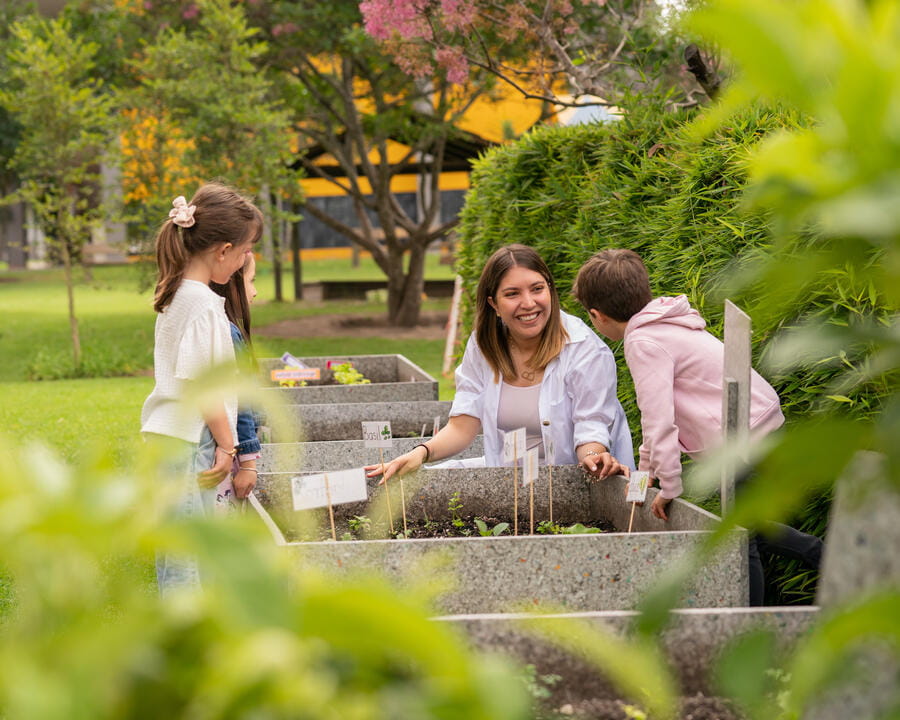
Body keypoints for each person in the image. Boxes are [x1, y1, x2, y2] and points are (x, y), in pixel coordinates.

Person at [572, 247, 823, 605]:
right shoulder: (664, 323)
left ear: (596, 316)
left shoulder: (642, 341)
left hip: (741, 435)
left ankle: (743, 623)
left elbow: (659, 421)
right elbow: (654, 424)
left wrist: (670, 487)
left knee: (739, 538)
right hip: (758, 423)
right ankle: (823, 556)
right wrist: (644, 479)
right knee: (750, 526)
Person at [368, 244, 634, 483]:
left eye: (537, 289)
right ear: (494, 303)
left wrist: (593, 456)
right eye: (512, 294)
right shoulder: (484, 346)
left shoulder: (584, 350)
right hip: (509, 484)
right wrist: (421, 453)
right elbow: (463, 426)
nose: (528, 303)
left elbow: (591, 426)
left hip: (571, 484)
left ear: (551, 291)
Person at [140, 183, 264, 593]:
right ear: (223, 250)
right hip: (190, 442)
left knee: (180, 547)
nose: (247, 260)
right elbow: (204, 386)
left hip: (169, 438)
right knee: (189, 558)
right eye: (246, 251)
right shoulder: (203, 304)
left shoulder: (178, 294)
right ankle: (184, 644)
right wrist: (230, 447)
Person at [210, 251, 261, 508]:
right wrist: (249, 465)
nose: (254, 291)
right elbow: (240, 401)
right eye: (251, 280)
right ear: (231, 282)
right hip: (231, 455)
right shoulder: (227, 333)